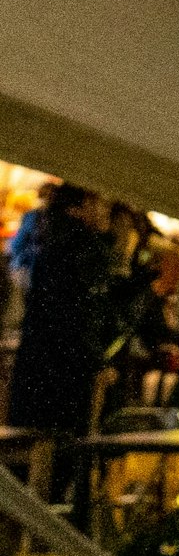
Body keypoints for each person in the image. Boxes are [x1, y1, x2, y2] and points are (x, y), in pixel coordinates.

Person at [4, 184, 112, 441]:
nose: (104, 211)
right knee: (63, 447)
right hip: (68, 370)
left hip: (35, 363)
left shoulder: (47, 238)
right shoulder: (86, 247)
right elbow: (81, 315)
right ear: (82, 205)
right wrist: (96, 358)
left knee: (30, 443)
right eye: (99, 204)